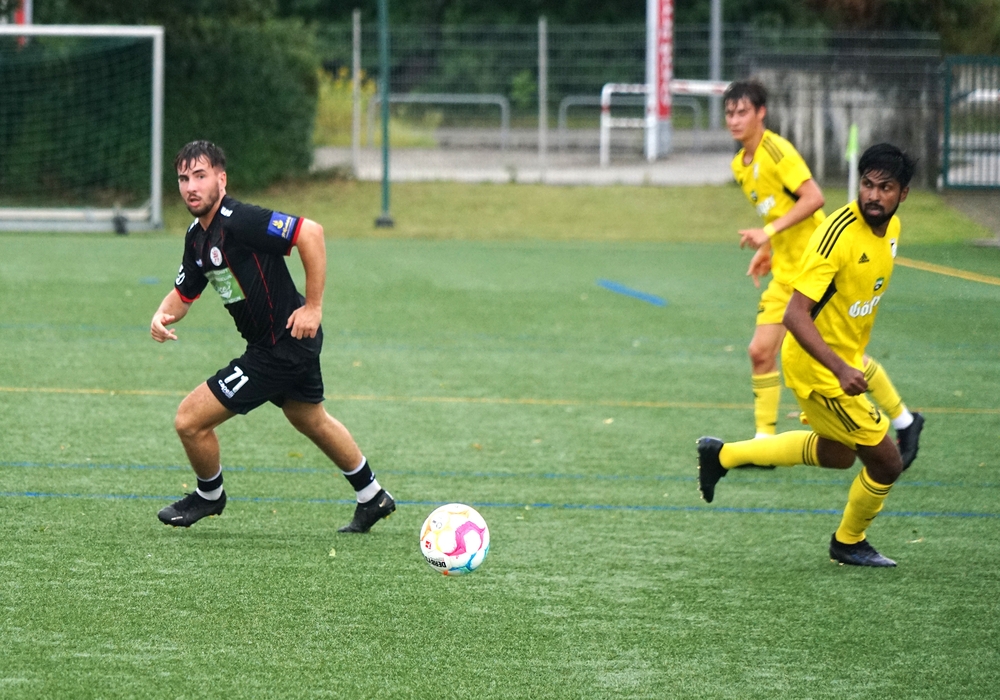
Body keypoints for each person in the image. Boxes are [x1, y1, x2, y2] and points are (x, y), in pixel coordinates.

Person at [150, 140, 394, 532]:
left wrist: (313, 307)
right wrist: (162, 315)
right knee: (308, 417)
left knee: (190, 421)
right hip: (281, 343)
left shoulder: (240, 220)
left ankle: (209, 496)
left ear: (221, 179)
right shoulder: (197, 237)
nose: (191, 187)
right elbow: (183, 294)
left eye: (200, 176)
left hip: (280, 347)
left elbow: (310, 233)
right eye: (183, 179)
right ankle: (373, 496)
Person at [697, 143, 918, 567]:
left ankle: (721, 456)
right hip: (820, 369)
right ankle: (849, 542)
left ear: (902, 194)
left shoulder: (891, 229)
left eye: (885, 187)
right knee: (888, 463)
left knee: (838, 455)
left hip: (838, 362)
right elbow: (794, 315)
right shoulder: (838, 235)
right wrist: (840, 368)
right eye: (867, 184)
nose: (873, 195)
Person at [724, 81, 923, 459]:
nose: (734, 120)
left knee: (840, 355)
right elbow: (780, 210)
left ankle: (902, 419)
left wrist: (768, 233)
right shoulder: (740, 165)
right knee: (762, 352)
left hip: (816, 270)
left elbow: (814, 198)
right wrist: (768, 247)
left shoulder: (777, 152)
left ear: (761, 113)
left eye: (742, 112)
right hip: (786, 269)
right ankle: (763, 443)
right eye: (729, 113)